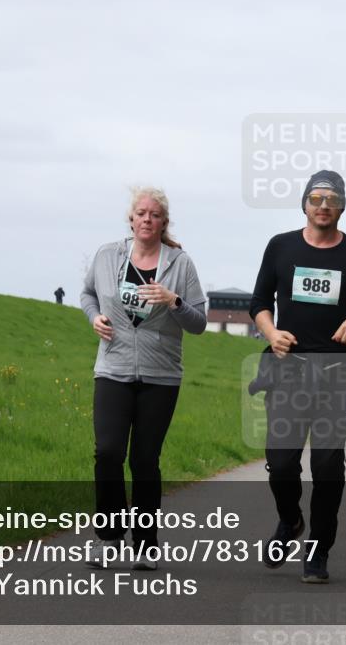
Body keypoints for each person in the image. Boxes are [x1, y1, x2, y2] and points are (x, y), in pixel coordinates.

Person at [249, 170, 346, 584]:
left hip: (336, 373)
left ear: (342, 206)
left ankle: (319, 549)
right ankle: (290, 521)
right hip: (289, 370)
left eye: (332, 199)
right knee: (281, 460)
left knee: (327, 466)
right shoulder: (280, 246)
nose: (323, 205)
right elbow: (258, 302)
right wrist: (272, 334)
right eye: (316, 198)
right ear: (304, 204)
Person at [80, 186, 207, 570]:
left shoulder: (180, 264)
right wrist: (94, 318)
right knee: (107, 453)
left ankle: (147, 545)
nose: (147, 219)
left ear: (163, 223)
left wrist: (174, 301)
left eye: (154, 215)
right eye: (141, 213)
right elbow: (87, 294)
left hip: (160, 376)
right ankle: (108, 536)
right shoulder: (107, 256)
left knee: (145, 461)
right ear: (131, 219)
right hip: (113, 369)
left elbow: (199, 322)